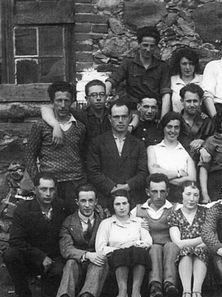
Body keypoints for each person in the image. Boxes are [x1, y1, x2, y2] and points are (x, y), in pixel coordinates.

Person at [3, 173, 66, 297]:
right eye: (43, 189)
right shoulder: (23, 209)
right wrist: (41, 256)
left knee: (49, 295)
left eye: (51, 189)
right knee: (10, 254)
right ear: (35, 189)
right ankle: (23, 293)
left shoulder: (62, 207)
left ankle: (47, 284)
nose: (48, 194)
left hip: (54, 258)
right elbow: (16, 240)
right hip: (31, 257)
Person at [25, 81, 86, 214]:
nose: (63, 105)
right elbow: (30, 156)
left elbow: (81, 153)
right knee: (52, 220)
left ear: (72, 102)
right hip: (50, 184)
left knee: (73, 220)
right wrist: (38, 181)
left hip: (74, 183)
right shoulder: (40, 126)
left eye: (66, 100)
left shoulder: (79, 127)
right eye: (59, 100)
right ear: (52, 102)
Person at [87, 99, 148, 209]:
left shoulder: (139, 144)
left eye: (124, 116)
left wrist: (127, 186)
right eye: (116, 117)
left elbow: (143, 172)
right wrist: (111, 187)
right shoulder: (97, 142)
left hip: (131, 200)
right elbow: (93, 171)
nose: (120, 120)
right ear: (110, 119)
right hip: (105, 199)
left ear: (130, 118)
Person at [55, 184, 108, 297]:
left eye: (91, 201)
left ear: (96, 202)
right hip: (78, 261)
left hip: (98, 263)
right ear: (77, 202)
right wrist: (87, 255)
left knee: (99, 260)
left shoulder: (104, 218)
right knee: (71, 262)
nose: (87, 205)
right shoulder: (68, 222)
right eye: (83, 201)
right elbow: (66, 249)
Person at [96, 190, 152, 297]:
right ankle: (123, 291)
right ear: (112, 206)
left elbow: (148, 241)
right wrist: (119, 248)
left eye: (124, 203)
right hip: (116, 259)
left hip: (137, 256)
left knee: (139, 251)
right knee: (121, 253)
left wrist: (133, 243)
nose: (122, 207)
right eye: (117, 204)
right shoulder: (106, 223)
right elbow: (100, 248)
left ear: (129, 204)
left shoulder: (138, 221)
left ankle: (136, 292)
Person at [130, 173, 180, 297]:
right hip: (149, 249)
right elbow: (129, 231)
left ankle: (170, 284)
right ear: (147, 192)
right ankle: (155, 285)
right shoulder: (137, 211)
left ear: (168, 192)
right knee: (155, 248)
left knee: (171, 245)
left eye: (162, 191)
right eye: (154, 191)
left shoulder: (176, 208)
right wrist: (139, 228)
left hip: (171, 248)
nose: (158, 196)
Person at [105, 26, 171, 119]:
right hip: (132, 111)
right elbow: (113, 80)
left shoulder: (162, 67)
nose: (148, 49)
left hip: (153, 112)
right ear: (139, 44)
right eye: (145, 45)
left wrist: (163, 119)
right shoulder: (128, 63)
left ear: (155, 47)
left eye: (152, 46)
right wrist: (103, 94)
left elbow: (166, 94)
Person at [168, 181, 209, 297]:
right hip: (183, 252)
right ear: (181, 195)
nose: (192, 199)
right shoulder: (174, 215)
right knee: (185, 252)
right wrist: (201, 239)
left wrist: (202, 241)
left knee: (199, 250)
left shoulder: (206, 212)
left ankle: (197, 291)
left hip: (204, 249)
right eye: (188, 194)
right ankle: (186, 291)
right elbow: (178, 243)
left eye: (196, 195)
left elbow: (211, 237)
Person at [40, 79, 111, 146]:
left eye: (101, 94)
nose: (98, 98)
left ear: (106, 96)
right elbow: (45, 108)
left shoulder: (113, 114)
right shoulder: (80, 116)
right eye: (94, 95)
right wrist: (56, 125)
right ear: (87, 99)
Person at [147, 112, 196, 202]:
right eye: (169, 127)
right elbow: (154, 174)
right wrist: (179, 173)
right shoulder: (153, 149)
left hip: (181, 198)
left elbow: (192, 178)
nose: (172, 131)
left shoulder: (186, 151)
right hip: (159, 198)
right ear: (163, 128)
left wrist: (163, 173)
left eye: (176, 127)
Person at [178, 84, 214, 160]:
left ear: (200, 102)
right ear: (182, 101)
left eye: (195, 101)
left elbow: (214, 142)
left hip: (200, 161)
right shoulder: (175, 121)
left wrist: (204, 142)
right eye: (188, 101)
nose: (192, 105)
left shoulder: (207, 122)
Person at [170, 48, 203, 113]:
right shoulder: (172, 80)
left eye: (191, 64)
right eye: (184, 64)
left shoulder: (203, 80)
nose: (187, 67)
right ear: (179, 65)